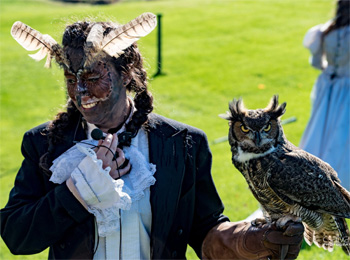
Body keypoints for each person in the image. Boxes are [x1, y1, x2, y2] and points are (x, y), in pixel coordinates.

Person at [0, 13, 304, 259]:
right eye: (70, 78)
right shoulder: (43, 143)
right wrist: (79, 189)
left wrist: (246, 241)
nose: (80, 92)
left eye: (93, 77)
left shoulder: (183, 144)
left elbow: (205, 231)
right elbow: (16, 236)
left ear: (125, 72)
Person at [300, 0, 350, 190]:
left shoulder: (323, 32)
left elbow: (316, 63)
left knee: (321, 129)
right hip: (347, 87)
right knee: (343, 131)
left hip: (328, 87)